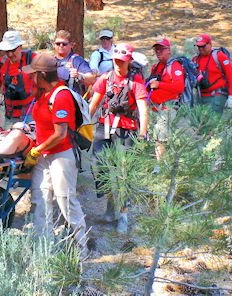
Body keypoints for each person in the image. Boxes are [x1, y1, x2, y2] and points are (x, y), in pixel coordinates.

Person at [21, 54, 88, 257]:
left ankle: (82, 247)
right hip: (44, 154)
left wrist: (36, 150)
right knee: (40, 199)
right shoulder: (43, 93)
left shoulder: (61, 96)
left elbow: (60, 134)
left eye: (34, 75)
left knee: (66, 201)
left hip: (61, 155)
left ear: (42, 75)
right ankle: (44, 246)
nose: (31, 78)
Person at [89, 42, 148, 233]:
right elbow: (94, 103)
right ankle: (110, 202)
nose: (118, 64)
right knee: (99, 165)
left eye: (122, 61)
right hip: (105, 127)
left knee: (124, 173)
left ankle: (123, 214)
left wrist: (141, 134)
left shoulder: (135, 81)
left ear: (129, 61)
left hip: (126, 131)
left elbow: (143, 109)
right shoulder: (105, 78)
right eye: (115, 60)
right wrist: (82, 125)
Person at [147, 38, 184, 164]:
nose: (158, 52)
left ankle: (160, 166)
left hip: (167, 109)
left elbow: (179, 87)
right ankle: (158, 164)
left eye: (161, 49)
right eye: (156, 49)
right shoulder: (155, 67)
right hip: (154, 108)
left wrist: (160, 84)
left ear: (169, 50)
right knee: (155, 138)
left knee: (161, 139)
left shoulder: (174, 66)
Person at [0, 30, 36, 128]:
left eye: (13, 50)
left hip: (31, 114)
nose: (10, 54)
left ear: (20, 47)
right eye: (7, 51)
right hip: (9, 115)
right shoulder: (1, 63)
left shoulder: (32, 59)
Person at [192, 34, 232, 114]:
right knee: (201, 124)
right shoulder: (195, 60)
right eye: (199, 47)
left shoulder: (219, 56)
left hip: (216, 95)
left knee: (212, 123)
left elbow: (230, 75)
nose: (200, 49)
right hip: (201, 97)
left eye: (203, 46)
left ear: (210, 44)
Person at [54, 30, 95, 96]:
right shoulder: (51, 61)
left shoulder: (77, 60)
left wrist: (79, 76)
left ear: (71, 45)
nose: (61, 46)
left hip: (73, 101)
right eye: (58, 43)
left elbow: (92, 79)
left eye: (64, 44)